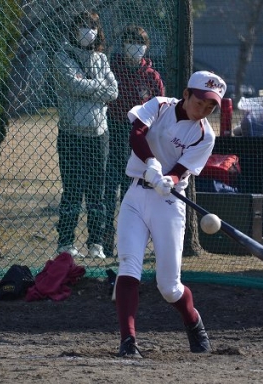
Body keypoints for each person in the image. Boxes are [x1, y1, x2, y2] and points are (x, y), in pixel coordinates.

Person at [113, 70, 227, 358]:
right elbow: (137, 133)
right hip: (136, 196)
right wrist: (151, 164)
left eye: (210, 106)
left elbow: (180, 170)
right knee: (128, 267)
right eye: (200, 102)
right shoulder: (160, 105)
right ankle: (128, 341)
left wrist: (169, 180)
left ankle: (194, 322)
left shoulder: (205, 135)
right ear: (186, 94)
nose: (203, 110)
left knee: (169, 287)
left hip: (168, 204)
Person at [51, 10, 118, 259]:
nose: (87, 31)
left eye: (92, 26)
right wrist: (97, 87)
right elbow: (73, 84)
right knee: (72, 191)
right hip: (72, 133)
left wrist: (88, 86)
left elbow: (114, 91)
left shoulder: (101, 59)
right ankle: (66, 243)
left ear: (98, 31)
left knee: (96, 193)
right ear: (73, 29)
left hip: (99, 134)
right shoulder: (63, 56)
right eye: (82, 26)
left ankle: (96, 244)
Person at [103, 25, 165, 257]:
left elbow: (160, 108)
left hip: (140, 138)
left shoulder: (151, 76)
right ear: (123, 45)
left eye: (140, 43)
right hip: (114, 132)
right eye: (131, 42)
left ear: (146, 47)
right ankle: (105, 241)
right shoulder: (113, 69)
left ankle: (132, 242)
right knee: (110, 190)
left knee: (135, 193)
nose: (135, 47)